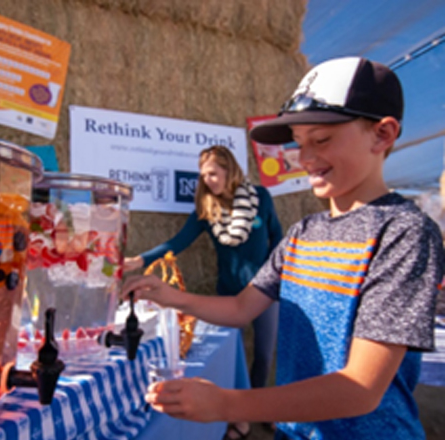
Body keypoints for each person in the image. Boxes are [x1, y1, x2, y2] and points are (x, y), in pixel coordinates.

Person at [121, 56, 445, 439]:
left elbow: (361, 388)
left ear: (383, 134)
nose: (305, 158)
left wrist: (227, 404)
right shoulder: (303, 233)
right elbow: (242, 307)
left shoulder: (403, 233)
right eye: (300, 142)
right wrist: (171, 296)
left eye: (321, 140)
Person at [124, 145, 282, 438]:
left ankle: (261, 409)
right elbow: (177, 243)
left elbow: (278, 239)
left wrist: (274, 279)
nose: (207, 180)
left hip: (265, 293)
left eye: (212, 173)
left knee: (263, 354)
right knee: (227, 353)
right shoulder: (206, 208)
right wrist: (140, 260)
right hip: (227, 295)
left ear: (228, 169)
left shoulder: (261, 198)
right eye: (203, 175)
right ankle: (235, 418)